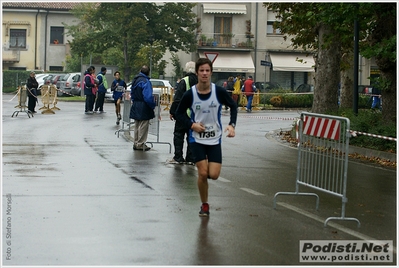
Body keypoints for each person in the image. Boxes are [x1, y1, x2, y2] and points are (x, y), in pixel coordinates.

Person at [174, 58, 237, 217]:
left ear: (211, 73)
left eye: (207, 70)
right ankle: (204, 205)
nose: (204, 73)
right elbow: (178, 113)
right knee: (202, 174)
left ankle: (205, 174)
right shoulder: (191, 94)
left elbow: (233, 106)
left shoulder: (219, 92)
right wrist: (191, 125)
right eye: (201, 70)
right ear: (197, 73)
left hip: (214, 139)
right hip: (197, 139)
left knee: (213, 175)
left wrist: (232, 125)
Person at [168, 61, 198, 165]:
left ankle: (178, 157)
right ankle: (191, 158)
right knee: (192, 136)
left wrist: (172, 112)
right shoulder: (200, 81)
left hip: (183, 113)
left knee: (179, 135)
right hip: (195, 114)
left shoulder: (184, 81)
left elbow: (177, 99)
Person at [130, 65, 156, 151]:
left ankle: (136, 142)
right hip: (144, 105)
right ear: (148, 72)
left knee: (137, 125)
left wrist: (134, 101)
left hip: (136, 104)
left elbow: (132, 93)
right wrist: (152, 105)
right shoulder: (146, 81)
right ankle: (141, 144)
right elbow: (148, 96)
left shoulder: (135, 80)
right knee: (143, 125)